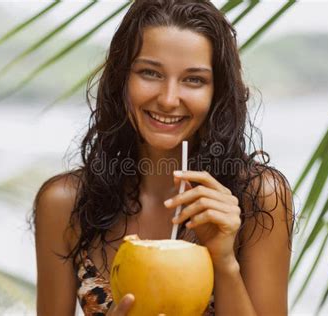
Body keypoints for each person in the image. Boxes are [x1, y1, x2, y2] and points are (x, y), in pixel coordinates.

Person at [32, 0, 295, 315]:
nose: (169, 99)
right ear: (122, 79)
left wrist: (224, 261)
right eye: (150, 73)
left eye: (194, 79)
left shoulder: (258, 198)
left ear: (217, 92)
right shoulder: (64, 203)